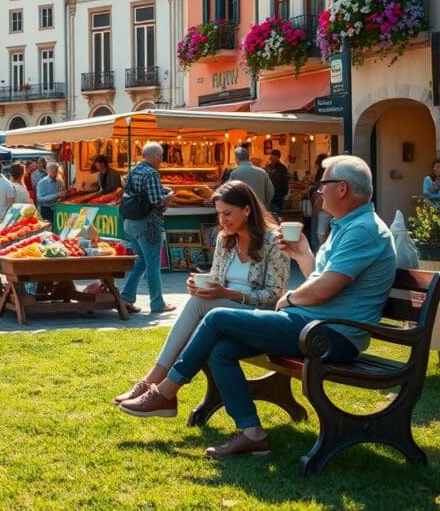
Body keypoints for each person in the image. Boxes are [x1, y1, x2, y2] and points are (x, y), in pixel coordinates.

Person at [118, 155, 396, 459]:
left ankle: (166, 393)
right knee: (221, 348)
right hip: (315, 326)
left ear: (341, 188)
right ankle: (252, 434)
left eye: (323, 183)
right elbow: (319, 276)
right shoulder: (347, 227)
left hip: (332, 335)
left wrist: (288, 299)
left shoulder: (363, 230)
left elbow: (325, 289)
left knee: (217, 319)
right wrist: (303, 254)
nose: (318, 190)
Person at [114, 180, 290, 404]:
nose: (222, 221)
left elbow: (275, 294)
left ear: (247, 210)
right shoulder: (224, 238)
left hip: (258, 314)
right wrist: (201, 286)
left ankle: (155, 380)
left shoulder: (273, 240)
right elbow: (216, 279)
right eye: (219, 214)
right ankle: (161, 386)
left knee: (200, 305)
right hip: (223, 309)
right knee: (199, 301)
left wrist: (228, 294)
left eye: (228, 213)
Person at [118, 142, 175, 314]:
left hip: (130, 222)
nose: (162, 159)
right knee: (153, 263)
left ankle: (126, 297)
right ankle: (157, 303)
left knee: (141, 262)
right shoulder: (151, 173)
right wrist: (169, 196)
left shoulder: (134, 170)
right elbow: (156, 200)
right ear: (157, 156)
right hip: (147, 224)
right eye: (161, 156)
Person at [310, 153, 332, 250]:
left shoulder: (322, 174)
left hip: (321, 206)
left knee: (319, 230)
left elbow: (321, 188)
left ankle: (317, 249)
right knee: (322, 229)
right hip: (326, 206)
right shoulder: (330, 173)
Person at [265, 149, 289, 217]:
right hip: (269, 194)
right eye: (270, 155)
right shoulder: (268, 167)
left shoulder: (282, 168)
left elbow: (284, 181)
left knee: (277, 213)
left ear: (277, 156)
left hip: (278, 195)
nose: (270, 157)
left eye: (272, 155)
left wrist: (284, 193)